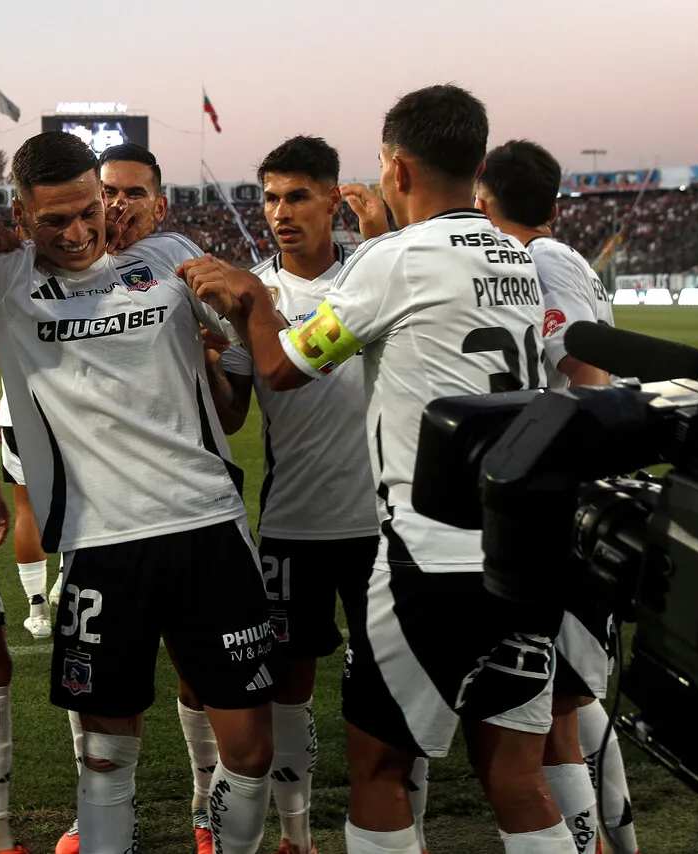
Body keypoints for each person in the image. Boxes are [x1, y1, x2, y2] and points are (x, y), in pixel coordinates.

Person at [182, 84, 574, 854]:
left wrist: (253, 298)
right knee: (517, 777)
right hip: (522, 552)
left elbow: (283, 368)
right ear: (479, 166)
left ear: (395, 169)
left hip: (429, 556)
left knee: (380, 769)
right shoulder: (516, 256)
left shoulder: (392, 259)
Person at [0, 130, 277, 854]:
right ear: (21, 215)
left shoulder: (169, 256)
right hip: (101, 546)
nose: (80, 232)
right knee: (106, 762)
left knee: (250, 752)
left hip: (208, 528)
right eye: (55, 220)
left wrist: (250, 306)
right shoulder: (4, 276)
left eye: (91, 210)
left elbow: (262, 355)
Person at [204, 135, 429, 854]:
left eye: (297, 196)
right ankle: (295, 836)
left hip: (380, 526)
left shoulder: (373, 276)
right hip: (293, 525)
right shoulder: (251, 293)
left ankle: (412, 830)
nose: (280, 212)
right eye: (270, 198)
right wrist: (208, 366)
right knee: (287, 691)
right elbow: (233, 415)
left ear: (334, 199)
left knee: (396, 689)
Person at [476, 139, 637, 854]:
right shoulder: (554, 254)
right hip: (575, 501)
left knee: (555, 719)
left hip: (567, 508)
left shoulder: (540, 260)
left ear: (484, 202)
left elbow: (588, 374)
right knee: (572, 698)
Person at [0, 340, 58, 639]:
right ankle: (66, 580)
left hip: (20, 411)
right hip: (72, 406)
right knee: (80, 497)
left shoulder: (6, 302)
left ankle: (38, 611)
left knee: (26, 508)